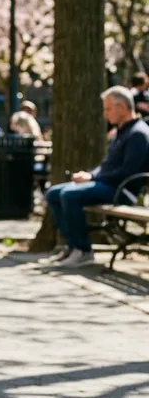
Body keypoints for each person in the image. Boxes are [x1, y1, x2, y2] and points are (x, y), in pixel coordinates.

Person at [43, 87, 149, 268]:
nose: (105, 114)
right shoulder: (120, 132)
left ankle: (83, 250)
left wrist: (94, 180)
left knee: (69, 195)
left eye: (108, 109)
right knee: (53, 193)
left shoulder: (138, 134)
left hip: (121, 191)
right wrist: (90, 175)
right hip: (107, 184)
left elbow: (127, 173)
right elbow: (107, 165)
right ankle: (72, 246)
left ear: (122, 107)